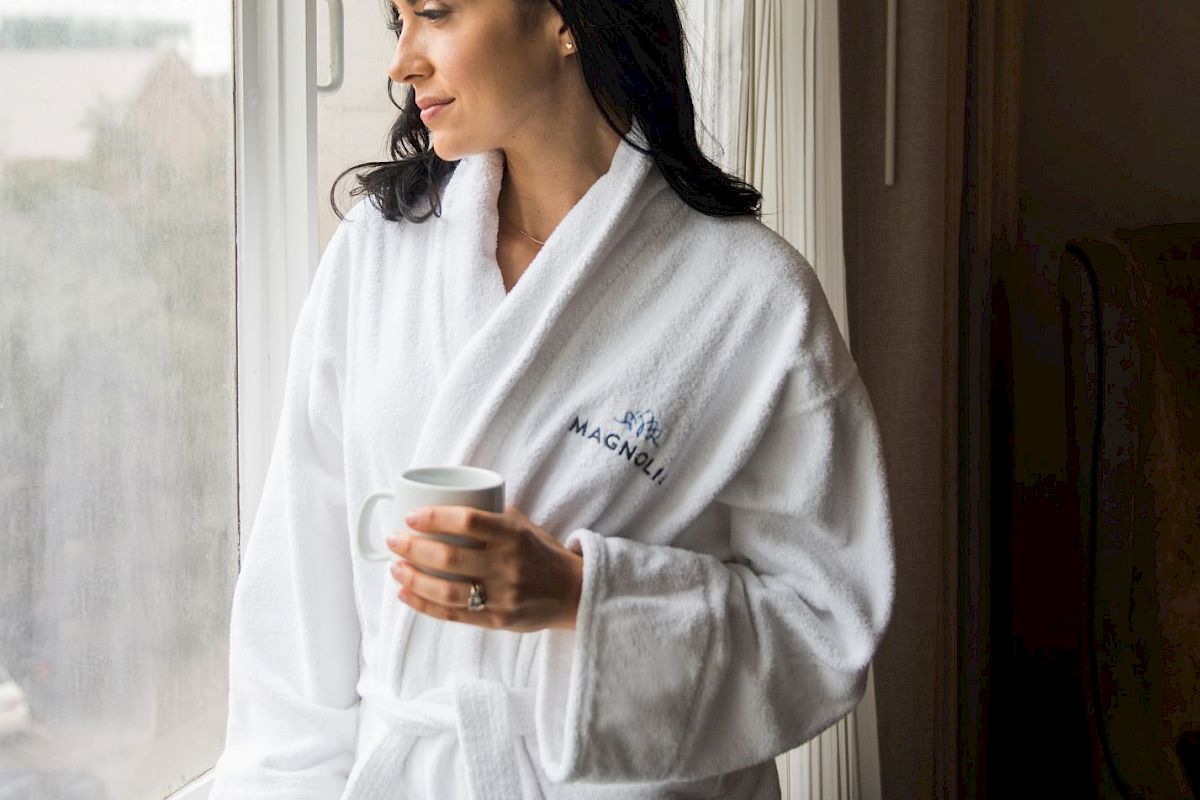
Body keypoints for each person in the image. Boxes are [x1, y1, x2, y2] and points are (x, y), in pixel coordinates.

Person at [209, 0, 896, 798]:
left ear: (564, 19)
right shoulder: (377, 256)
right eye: (396, 21)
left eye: (435, 13)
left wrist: (585, 597)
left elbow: (826, 623)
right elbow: (296, 607)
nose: (402, 62)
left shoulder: (749, 297)